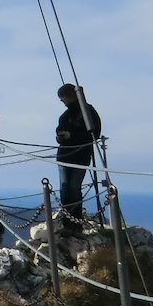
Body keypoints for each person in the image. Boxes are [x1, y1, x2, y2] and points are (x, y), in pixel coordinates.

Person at [56, 84, 102, 232]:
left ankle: (74, 224)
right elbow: (60, 132)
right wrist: (61, 137)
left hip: (78, 157)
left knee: (72, 189)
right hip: (67, 156)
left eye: (64, 99)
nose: (64, 102)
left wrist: (70, 136)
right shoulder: (66, 116)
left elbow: (93, 134)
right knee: (66, 189)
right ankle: (68, 222)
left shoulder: (88, 113)